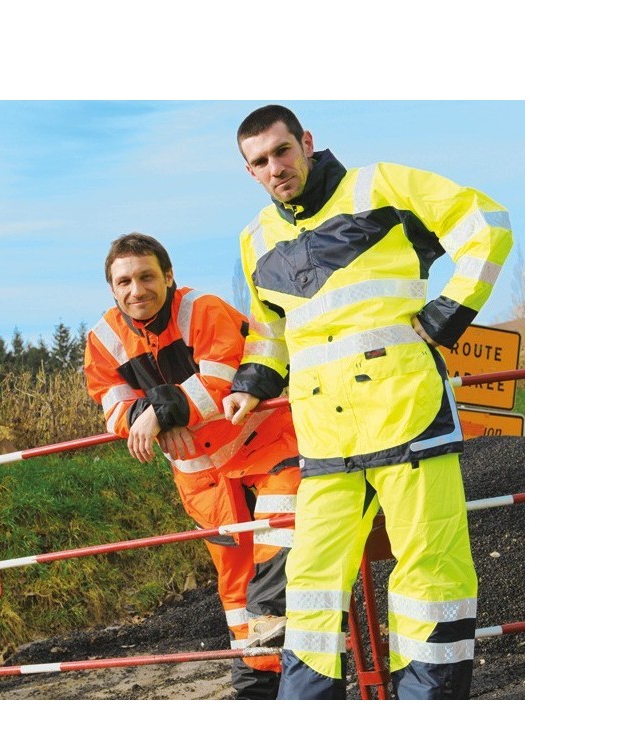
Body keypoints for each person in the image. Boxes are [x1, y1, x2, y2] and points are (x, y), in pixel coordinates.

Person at [223, 105, 514, 700]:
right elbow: (272, 330)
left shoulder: (381, 186)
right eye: (260, 161)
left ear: (306, 142)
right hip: (325, 439)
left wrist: (447, 312)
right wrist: (252, 382)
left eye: (282, 151)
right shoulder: (255, 239)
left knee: (430, 573)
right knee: (309, 582)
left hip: (408, 420)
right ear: (249, 172)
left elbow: (487, 221)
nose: (275, 168)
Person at [84, 232, 301, 700]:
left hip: (266, 448)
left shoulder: (201, 309)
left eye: (146, 277)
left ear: (169, 276)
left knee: (280, 555)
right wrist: (158, 417)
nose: (135, 290)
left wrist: (163, 410)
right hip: (202, 476)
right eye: (123, 281)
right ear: (112, 287)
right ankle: (257, 685)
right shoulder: (103, 340)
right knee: (235, 584)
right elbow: (114, 408)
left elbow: (220, 377)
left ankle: (308, 681)